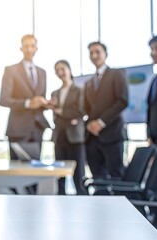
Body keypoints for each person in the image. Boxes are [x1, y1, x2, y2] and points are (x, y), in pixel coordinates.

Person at [0, 34, 49, 194]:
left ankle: (33, 209)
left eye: (32, 46)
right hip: (18, 128)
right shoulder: (11, 70)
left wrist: (45, 103)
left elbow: (39, 100)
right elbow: (4, 99)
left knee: (34, 173)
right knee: (16, 174)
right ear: (21, 48)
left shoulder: (42, 72)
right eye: (26, 46)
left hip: (37, 128)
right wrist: (28, 103)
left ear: (36, 48)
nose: (29, 49)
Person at [84, 41, 129, 180]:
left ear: (106, 54)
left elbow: (122, 101)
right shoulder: (89, 82)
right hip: (92, 138)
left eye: (97, 51)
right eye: (91, 53)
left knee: (116, 176)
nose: (94, 55)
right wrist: (89, 123)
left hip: (112, 135)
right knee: (97, 178)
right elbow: (88, 108)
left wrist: (101, 122)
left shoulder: (117, 74)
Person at [49, 60, 87, 195]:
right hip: (60, 135)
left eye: (62, 69)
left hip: (75, 137)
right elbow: (55, 116)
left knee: (78, 174)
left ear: (69, 69)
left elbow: (81, 111)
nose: (60, 72)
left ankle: (82, 200)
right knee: (60, 174)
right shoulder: (54, 93)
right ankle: (60, 200)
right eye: (57, 70)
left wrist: (62, 112)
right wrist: (59, 111)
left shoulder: (80, 90)